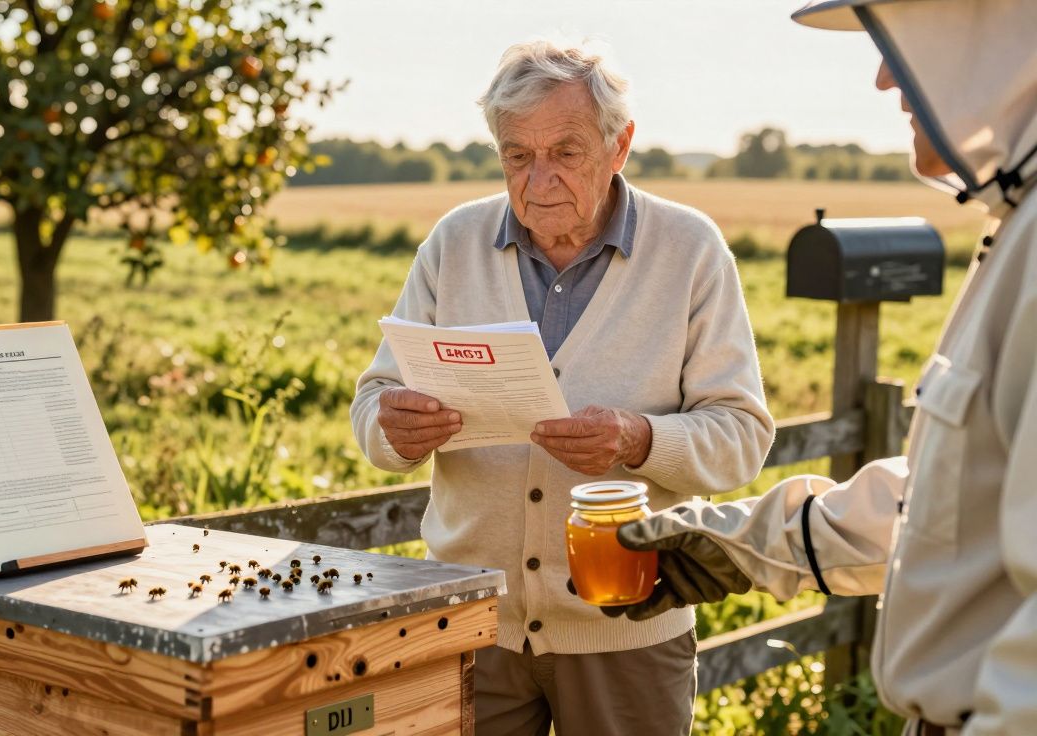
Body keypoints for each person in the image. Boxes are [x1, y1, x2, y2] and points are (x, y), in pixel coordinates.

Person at [604, 2, 1037, 734]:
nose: (881, 79)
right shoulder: (1017, 226)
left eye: (900, 42)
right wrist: (741, 543)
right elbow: (949, 509)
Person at [350, 40, 775, 736]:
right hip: (470, 626)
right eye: (518, 155)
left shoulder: (691, 250)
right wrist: (390, 428)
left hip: (628, 638)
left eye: (566, 152)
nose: (538, 178)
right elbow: (373, 404)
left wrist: (638, 439)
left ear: (620, 146)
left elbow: (742, 439)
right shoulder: (453, 243)